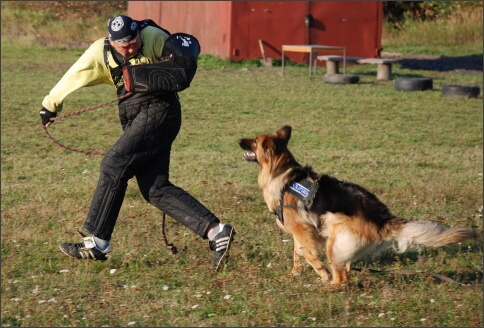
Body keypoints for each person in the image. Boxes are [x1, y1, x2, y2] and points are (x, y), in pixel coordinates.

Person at [39, 15, 235, 270]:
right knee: (155, 189)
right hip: (133, 115)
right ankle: (217, 231)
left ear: (138, 34)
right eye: (124, 46)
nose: (131, 49)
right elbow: (74, 74)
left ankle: (97, 241)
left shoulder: (153, 37)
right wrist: (49, 105)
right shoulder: (99, 51)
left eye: (133, 42)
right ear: (111, 41)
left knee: (114, 164)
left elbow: (179, 67)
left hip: (161, 111)